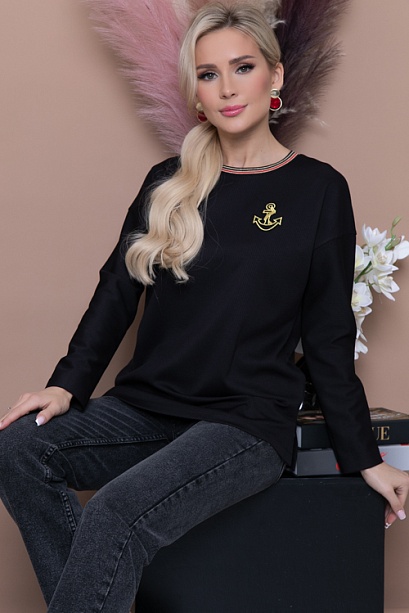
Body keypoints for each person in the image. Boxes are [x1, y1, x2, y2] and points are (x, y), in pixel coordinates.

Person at [1, 2, 408, 611]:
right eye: (209, 74)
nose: (227, 88)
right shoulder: (168, 182)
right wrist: (66, 385)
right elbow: (117, 290)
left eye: (242, 67)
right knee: (18, 449)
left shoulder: (319, 188)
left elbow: (328, 335)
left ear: (275, 76)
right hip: (148, 408)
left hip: (245, 423)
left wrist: (365, 458)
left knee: (114, 513)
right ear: (196, 93)